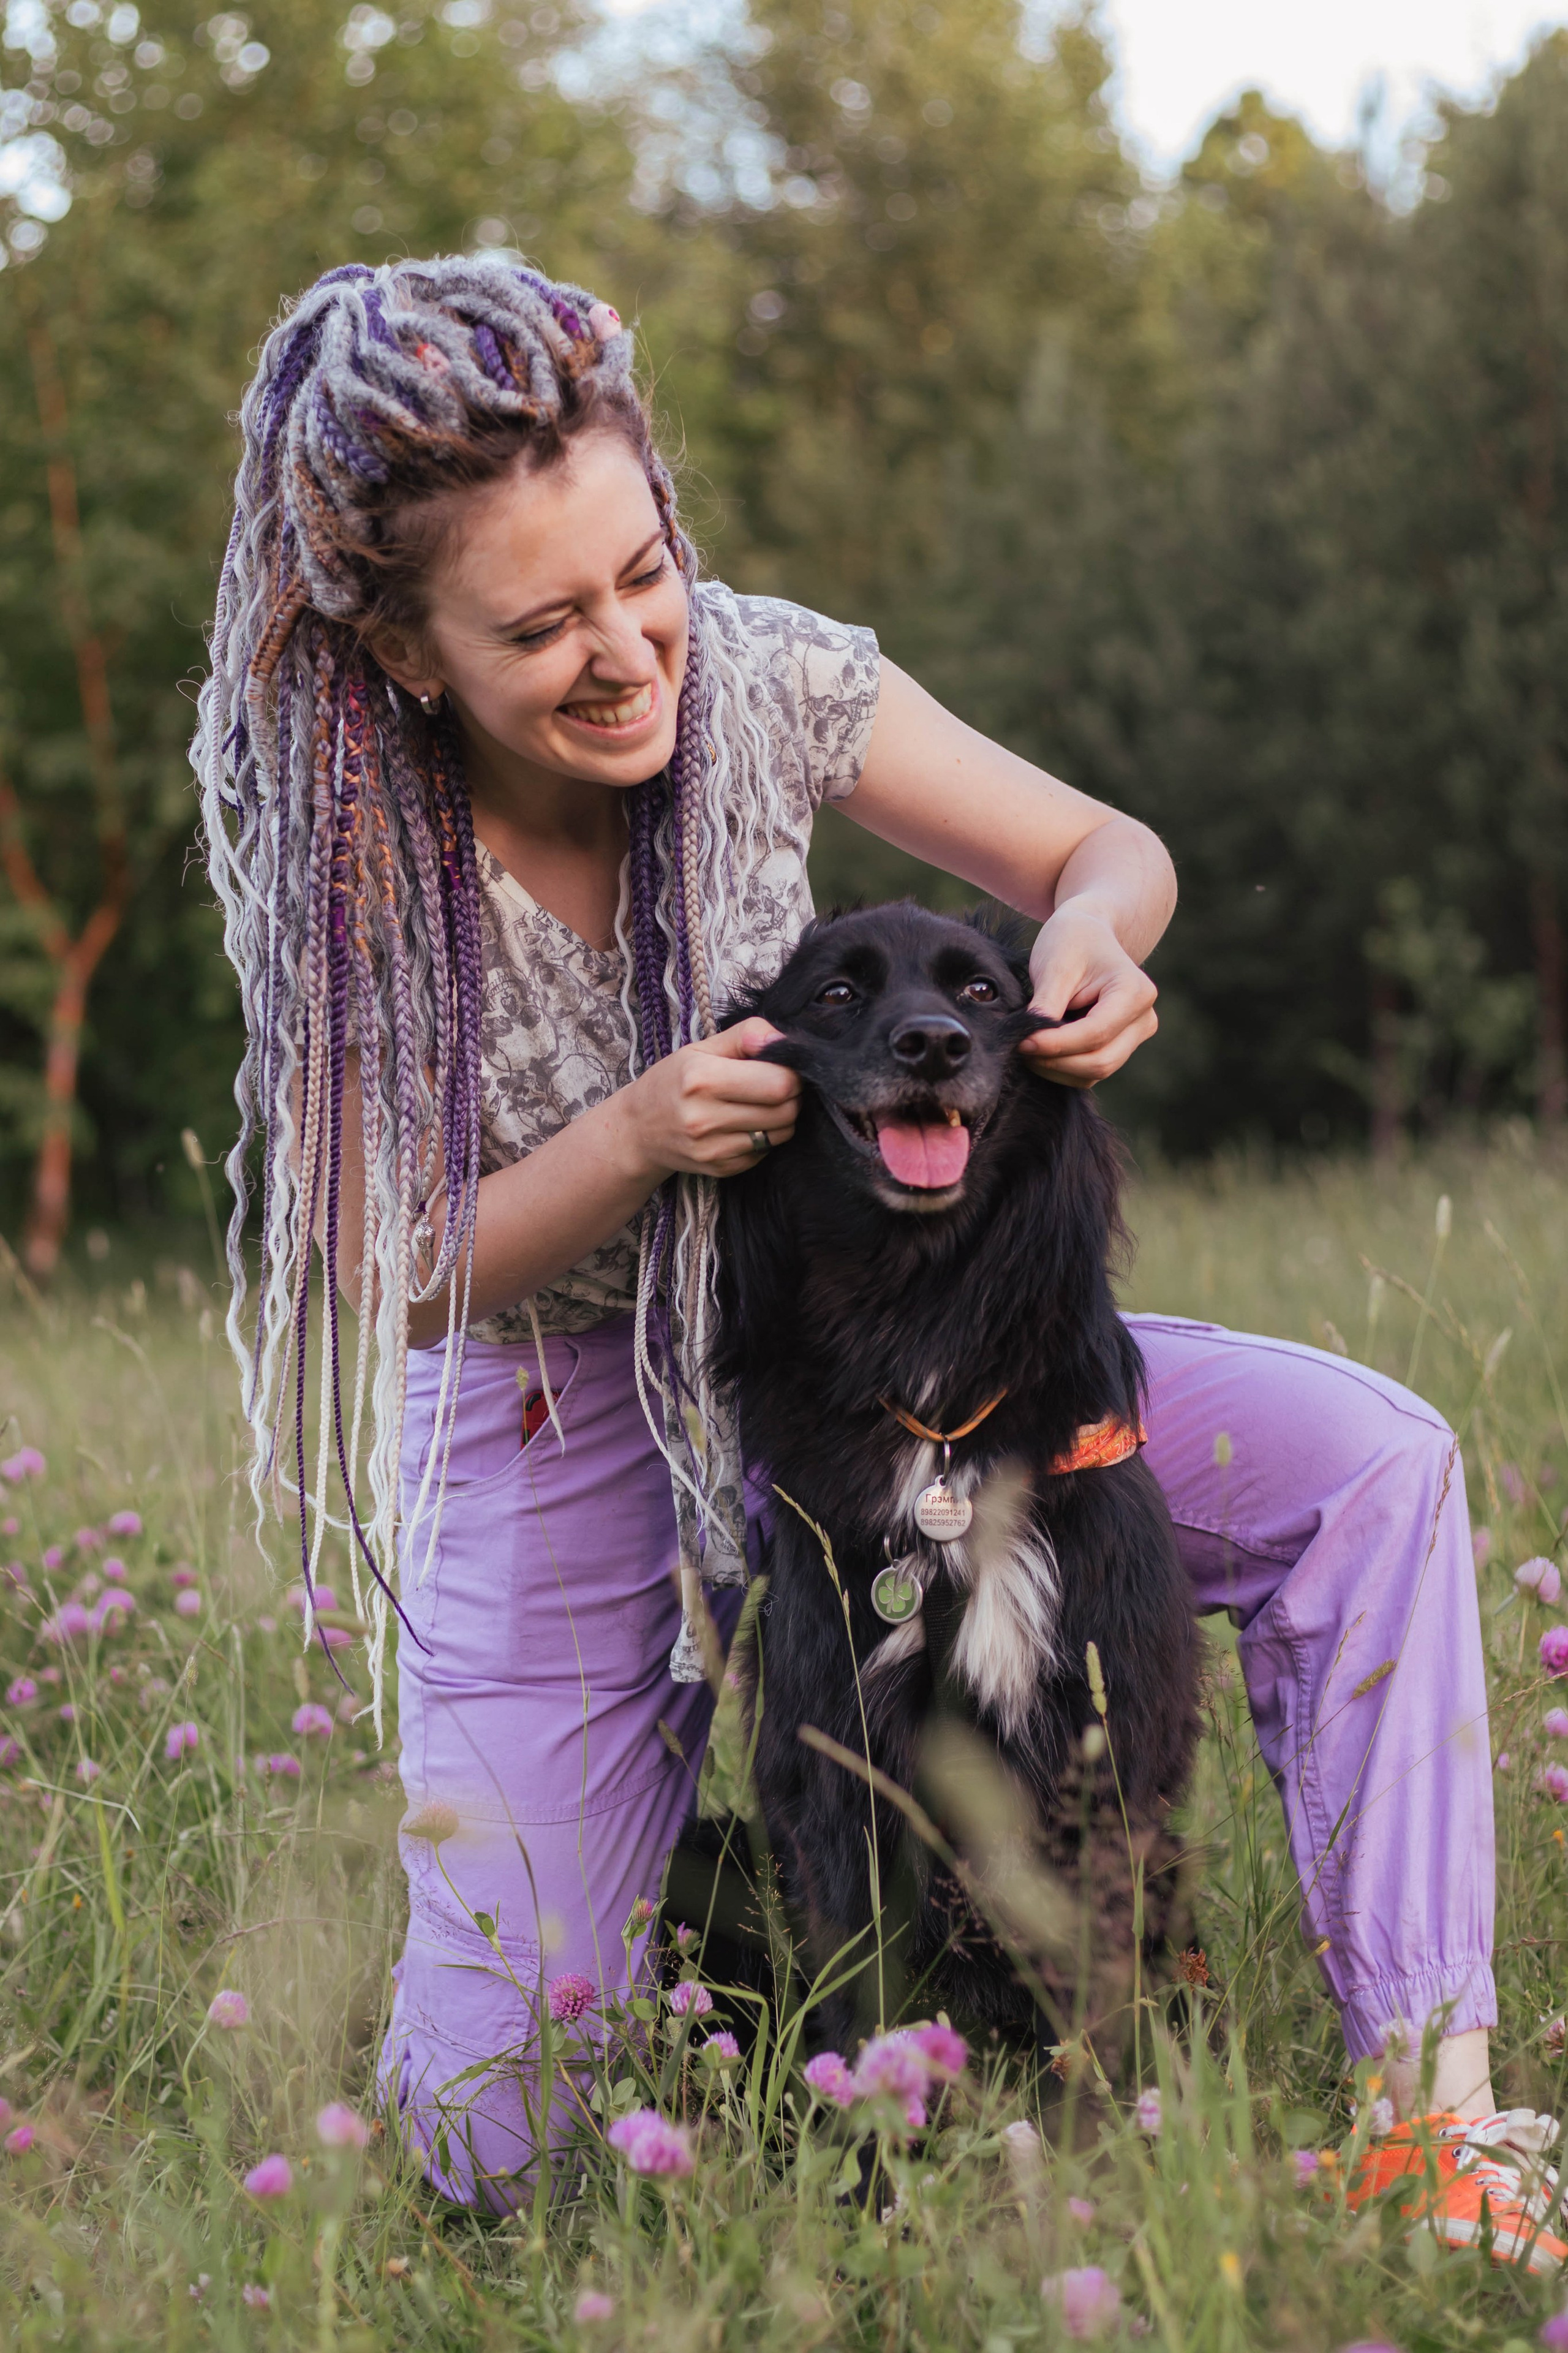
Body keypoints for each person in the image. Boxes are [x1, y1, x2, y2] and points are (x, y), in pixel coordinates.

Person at [195, 257, 1545, 2254]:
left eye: (641, 570)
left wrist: (1094, 935)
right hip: (565, 1407)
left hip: (885, 1362)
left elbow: (1106, 849)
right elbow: (394, 1269)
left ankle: (1430, 2120)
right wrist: (640, 1132)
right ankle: (757, 1955)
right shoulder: (344, 848)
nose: (628, 647)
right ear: (401, 647)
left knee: (1377, 1462)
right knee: (491, 2148)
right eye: (542, 622)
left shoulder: (766, 671)